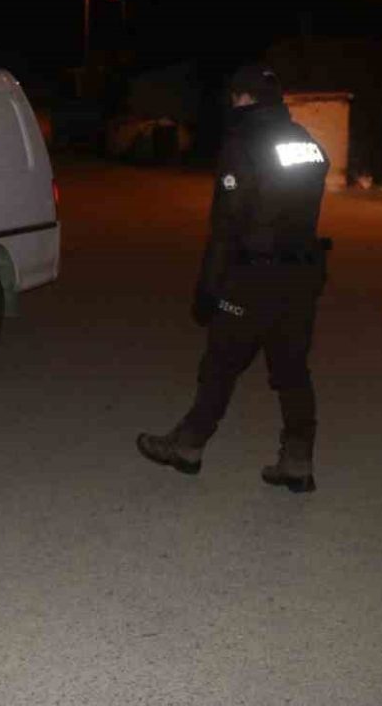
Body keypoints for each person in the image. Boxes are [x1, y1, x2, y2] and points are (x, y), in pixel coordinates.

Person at [136, 61, 329, 492]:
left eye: (235, 96)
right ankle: (298, 460)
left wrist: (209, 287)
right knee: (292, 370)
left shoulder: (243, 146)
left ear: (245, 98)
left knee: (220, 364)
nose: (232, 103)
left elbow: (226, 226)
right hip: (301, 276)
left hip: (253, 277)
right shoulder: (305, 141)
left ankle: (188, 446)